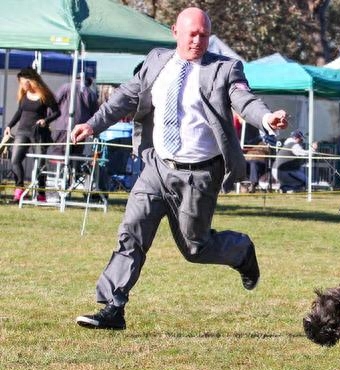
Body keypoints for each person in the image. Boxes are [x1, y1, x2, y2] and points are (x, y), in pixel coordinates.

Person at [72, 7, 288, 330]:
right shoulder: (156, 62)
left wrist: (266, 118)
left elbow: (244, 99)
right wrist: (93, 125)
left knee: (195, 248)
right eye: (192, 34)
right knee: (132, 230)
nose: (198, 41)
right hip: (157, 167)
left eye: (204, 35)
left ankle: (241, 251)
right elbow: (124, 97)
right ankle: (113, 307)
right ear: (175, 31)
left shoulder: (225, 69)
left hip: (199, 175)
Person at [4, 68, 60, 202]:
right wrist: (9, 126)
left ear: (31, 81)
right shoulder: (24, 95)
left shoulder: (44, 95)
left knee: (40, 162)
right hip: (22, 131)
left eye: (23, 82)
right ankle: (19, 189)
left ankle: (41, 193)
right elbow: (19, 112)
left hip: (38, 133)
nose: (22, 85)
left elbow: (57, 112)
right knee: (15, 160)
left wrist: (45, 121)